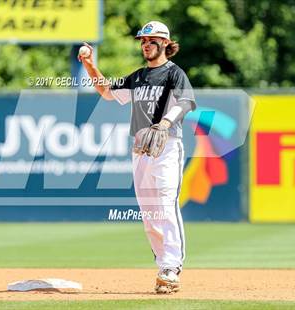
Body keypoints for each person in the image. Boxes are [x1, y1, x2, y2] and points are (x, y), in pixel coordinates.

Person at [79, 21, 196, 294]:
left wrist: (165, 123)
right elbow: (107, 92)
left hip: (167, 146)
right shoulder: (139, 76)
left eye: (152, 40)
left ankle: (172, 265)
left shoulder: (173, 74)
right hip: (141, 150)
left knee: (166, 203)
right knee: (149, 211)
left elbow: (186, 101)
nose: (146, 44)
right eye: (143, 40)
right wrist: (89, 65)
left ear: (165, 43)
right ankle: (163, 265)